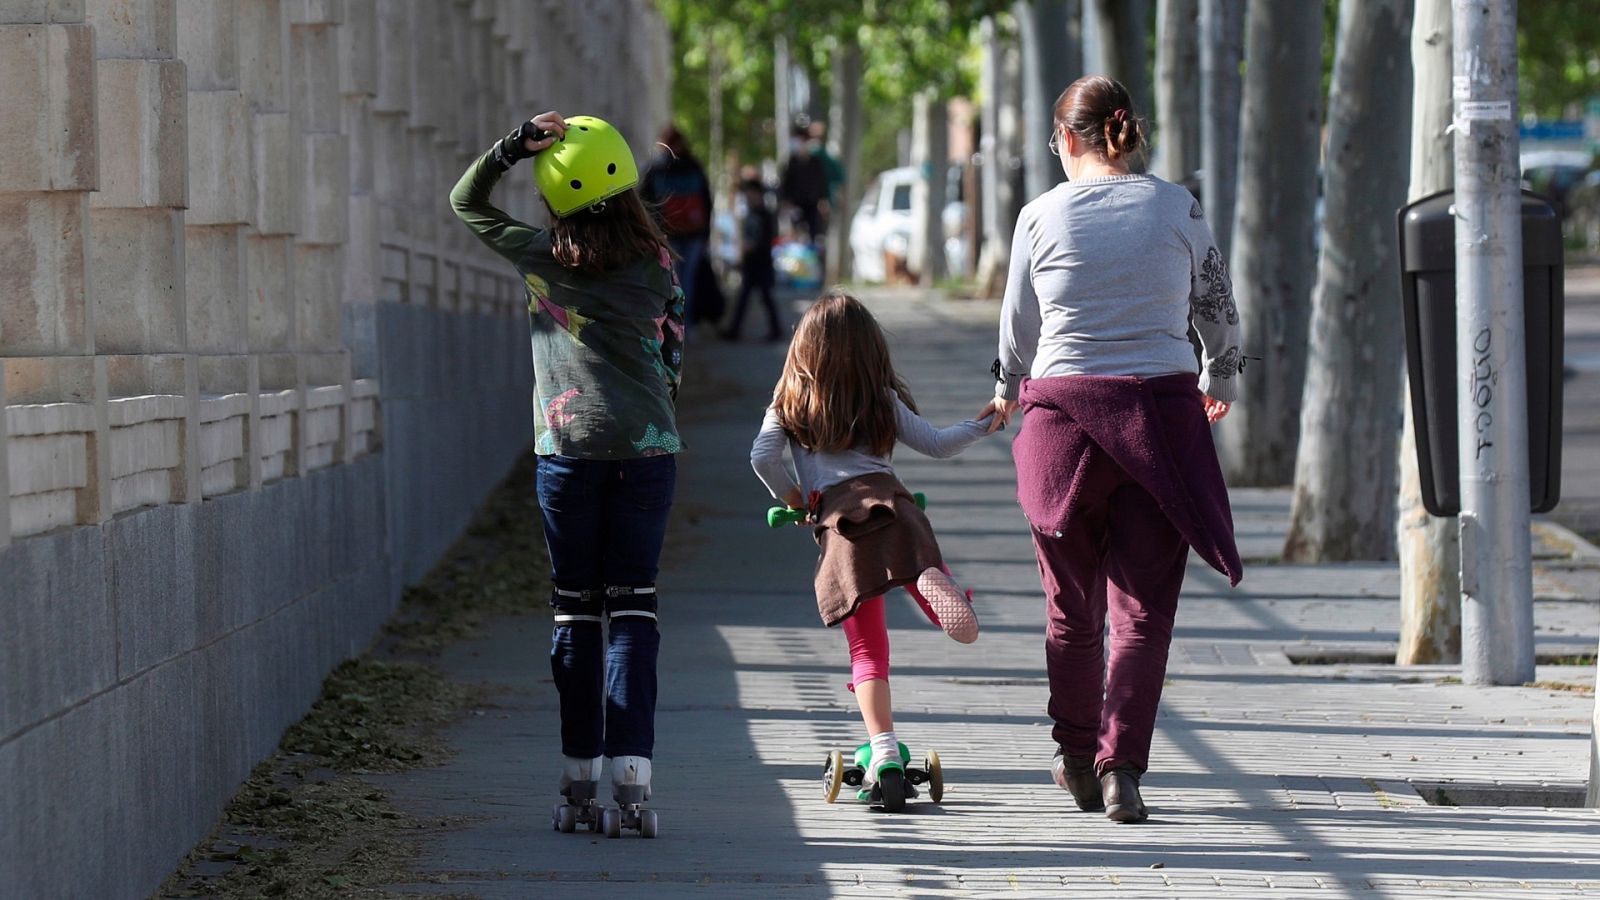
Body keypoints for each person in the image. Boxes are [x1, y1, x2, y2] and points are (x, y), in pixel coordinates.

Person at [978, 75, 1244, 824]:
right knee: (1143, 612)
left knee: (1072, 612)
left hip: (1063, 425)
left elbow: (1018, 327)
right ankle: (1122, 765)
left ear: (1066, 140)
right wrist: (1219, 371)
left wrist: (1005, 389)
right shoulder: (1177, 205)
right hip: (1159, 420)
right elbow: (1216, 301)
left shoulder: (1039, 216)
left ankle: (1074, 757)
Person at [450, 111, 683, 837]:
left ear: (555, 196)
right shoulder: (658, 262)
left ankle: (581, 774)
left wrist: (511, 148)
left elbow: (466, 202)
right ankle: (634, 777)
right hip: (647, 451)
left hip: (568, 450)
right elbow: (673, 356)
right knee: (634, 610)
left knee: (578, 612)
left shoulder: (542, 254)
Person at [751, 292, 993, 810]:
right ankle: (941, 589)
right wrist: (986, 423)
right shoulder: (880, 396)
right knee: (916, 561)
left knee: (868, 652)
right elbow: (936, 442)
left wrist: (799, 500)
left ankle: (883, 752)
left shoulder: (791, 400)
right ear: (871, 350)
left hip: (842, 526)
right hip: (896, 507)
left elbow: (763, 456)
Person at [640, 125, 714, 325]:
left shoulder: (654, 168)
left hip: (668, 234)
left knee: (671, 281)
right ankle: (685, 324)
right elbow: (707, 202)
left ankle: (672, 323)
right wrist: (706, 233)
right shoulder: (694, 166)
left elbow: (644, 202)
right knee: (686, 280)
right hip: (693, 233)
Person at [721, 178, 781, 341]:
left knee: (766, 297)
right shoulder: (749, 214)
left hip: (762, 263)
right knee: (744, 298)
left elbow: (768, 239)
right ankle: (734, 330)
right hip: (750, 263)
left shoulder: (766, 215)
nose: (749, 197)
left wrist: (754, 247)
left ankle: (776, 330)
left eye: (751, 194)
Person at [779, 124, 829, 244]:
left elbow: (821, 183)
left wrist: (823, 201)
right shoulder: (792, 163)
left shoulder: (816, 162)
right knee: (795, 237)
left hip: (812, 207)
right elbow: (786, 185)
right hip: (795, 207)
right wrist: (786, 203)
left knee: (814, 237)